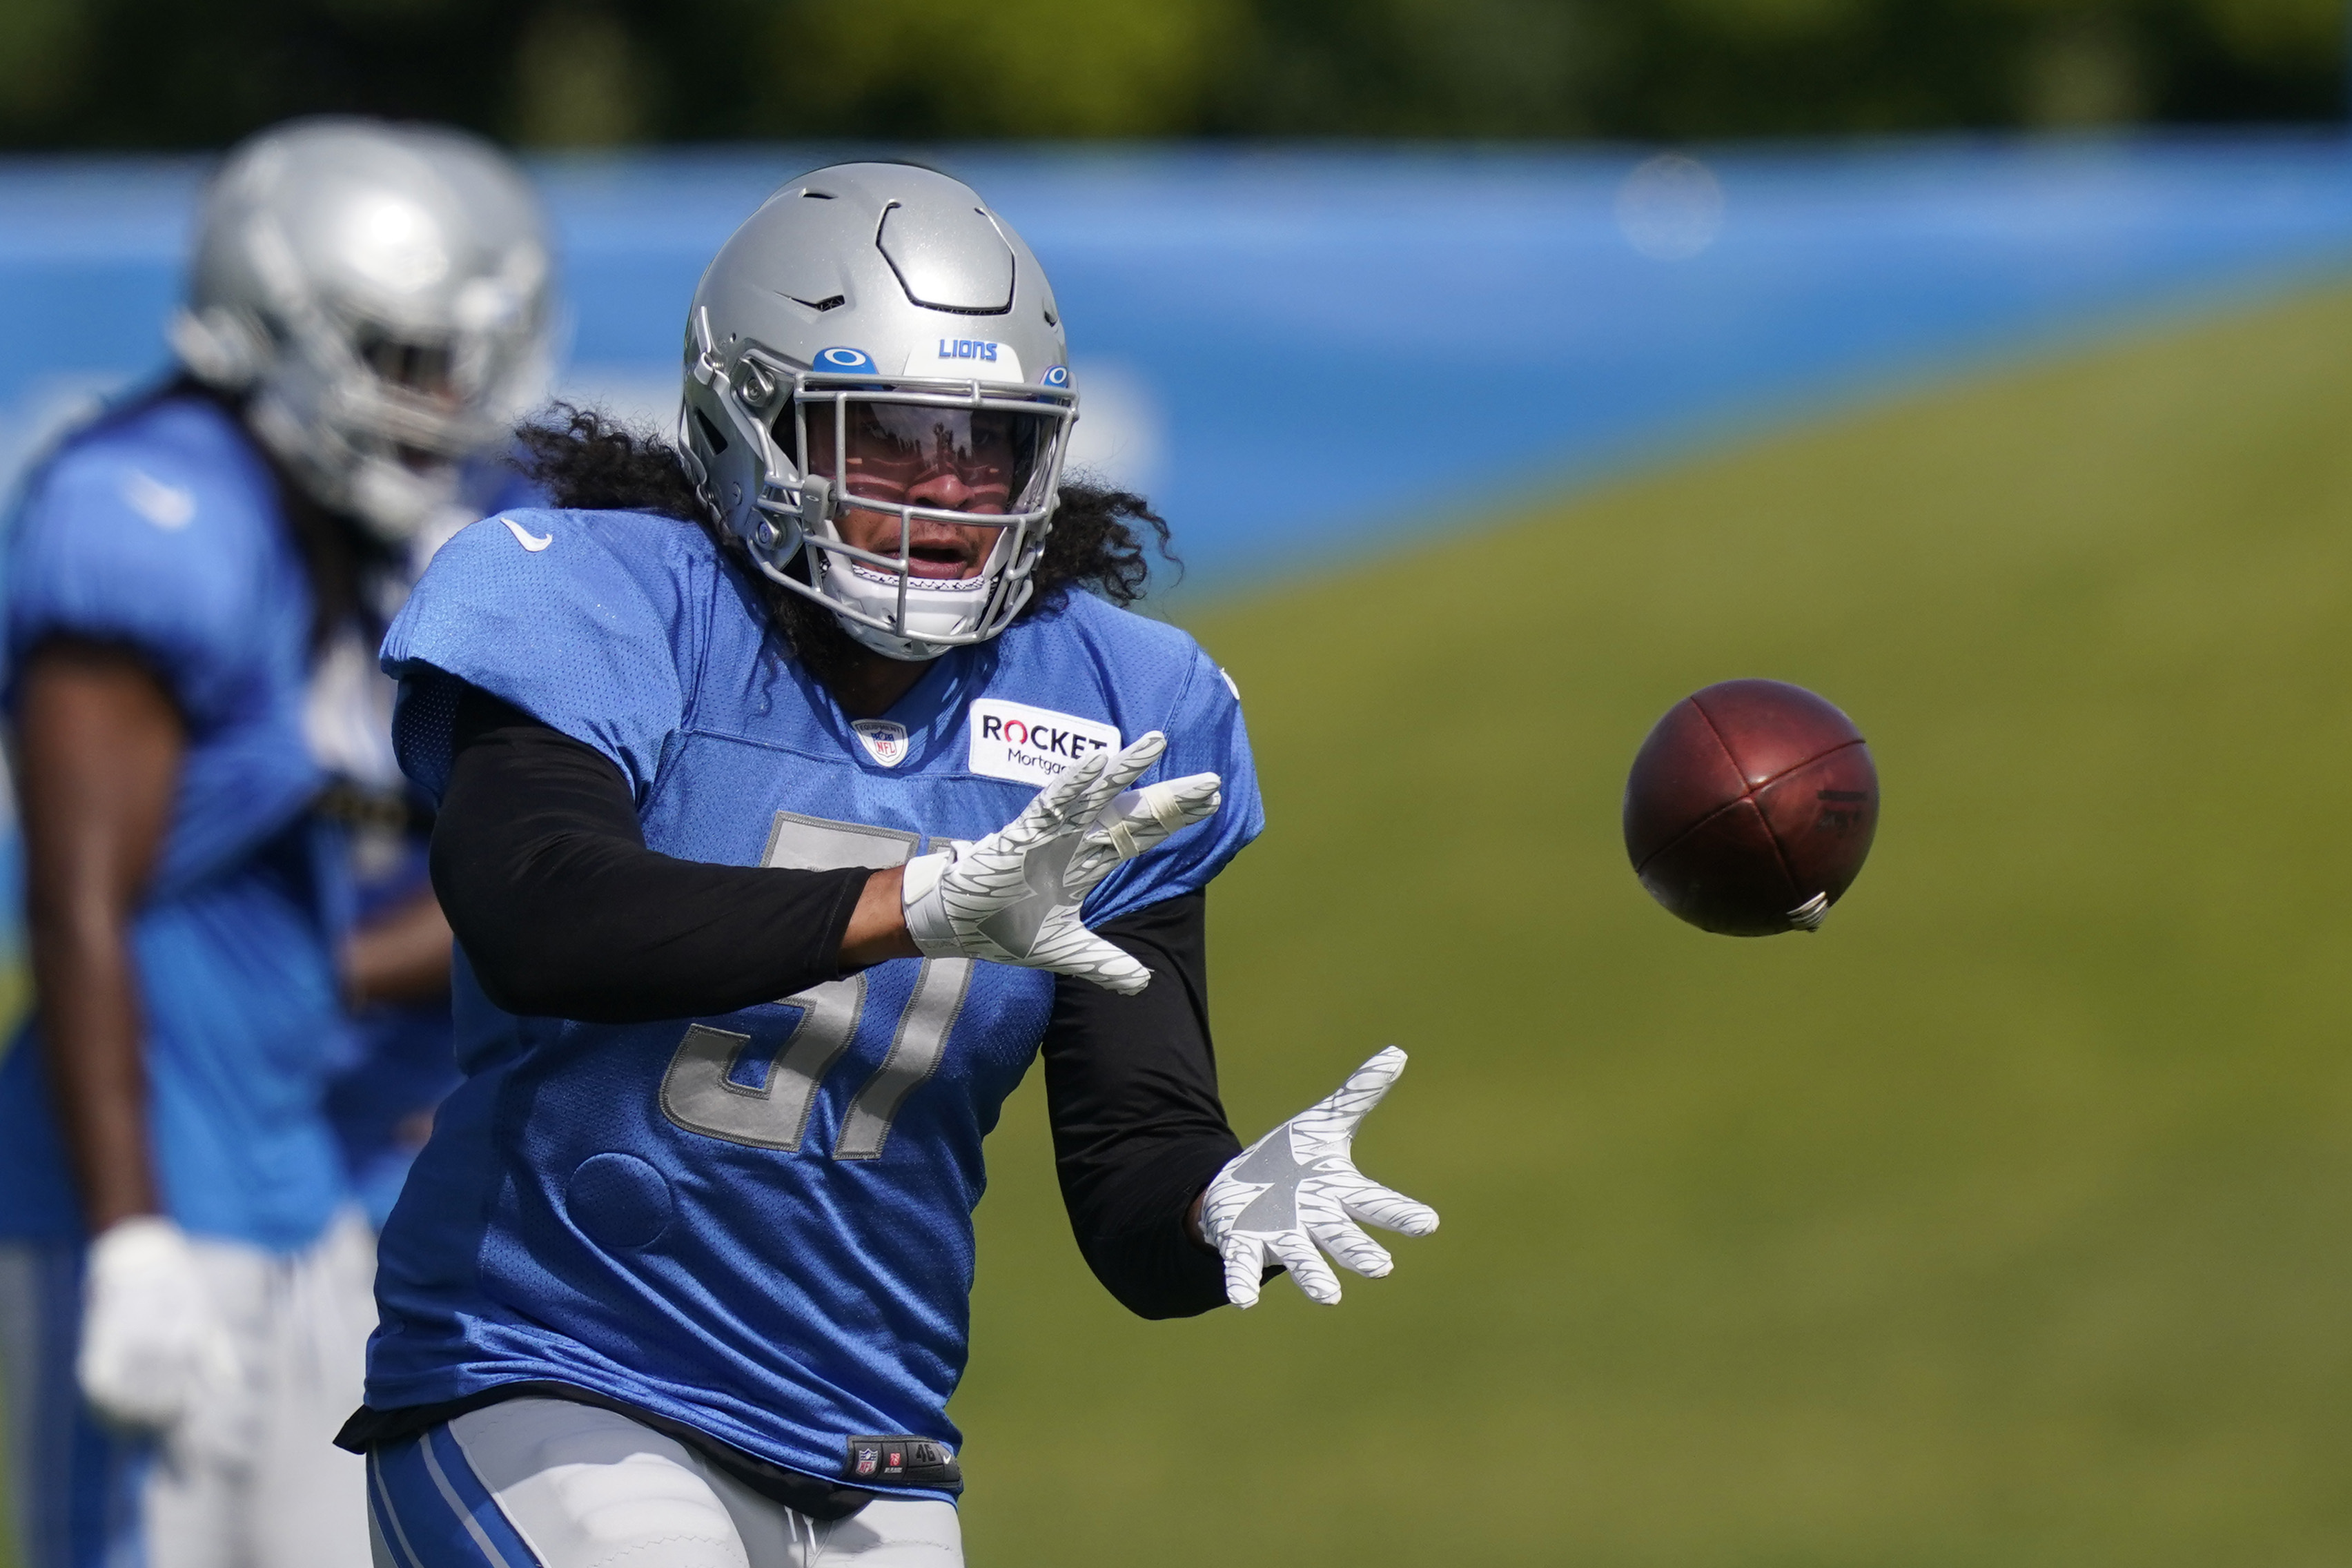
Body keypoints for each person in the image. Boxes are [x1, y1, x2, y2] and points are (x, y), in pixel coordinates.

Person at [338, 162, 1439, 1568]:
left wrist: (1216, 1205)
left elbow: (1130, 1158)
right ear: (753, 423)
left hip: (872, 1441)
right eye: (890, 437)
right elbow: (540, 914)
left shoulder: (1117, 693)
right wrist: (913, 902)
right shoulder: (606, 596)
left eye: (987, 442)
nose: (947, 488)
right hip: (554, 1374)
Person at [0, 117, 554, 1568]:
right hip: (154, 1185)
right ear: (273, 330)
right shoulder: (153, 509)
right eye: (401, 357)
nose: (443, 403)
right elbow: (75, 904)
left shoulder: (378, 528)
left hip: (314, 1180)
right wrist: (129, 1231)